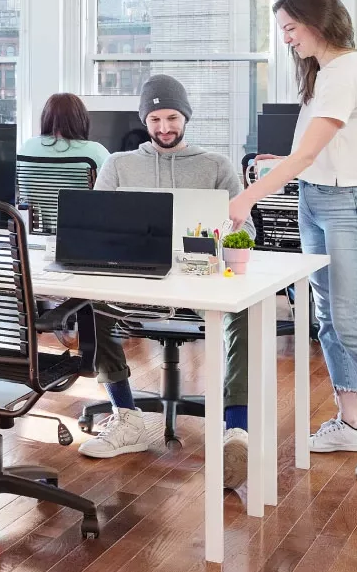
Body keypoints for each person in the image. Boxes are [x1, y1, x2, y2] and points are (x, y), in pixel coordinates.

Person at [230, 0, 357, 481]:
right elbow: (313, 152)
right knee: (327, 318)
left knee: (350, 320)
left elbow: (309, 153)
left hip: (351, 203)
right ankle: (352, 421)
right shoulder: (323, 74)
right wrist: (280, 164)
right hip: (315, 198)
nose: (287, 39)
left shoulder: (346, 72)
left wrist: (249, 195)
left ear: (317, 22)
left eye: (290, 28)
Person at [78, 74, 252, 490]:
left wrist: (231, 235)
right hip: (135, 283)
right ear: (145, 120)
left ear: (186, 117)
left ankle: (236, 430)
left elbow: (248, 238)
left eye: (172, 117)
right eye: (155, 118)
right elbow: (98, 227)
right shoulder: (118, 164)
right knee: (89, 305)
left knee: (241, 311)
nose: (164, 128)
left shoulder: (216, 166)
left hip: (199, 284)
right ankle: (127, 417)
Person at [19, 92, 110, 173]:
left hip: (34, 193)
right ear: (81, 119)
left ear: (46, 118)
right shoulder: (96, 151)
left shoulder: (27, 147)